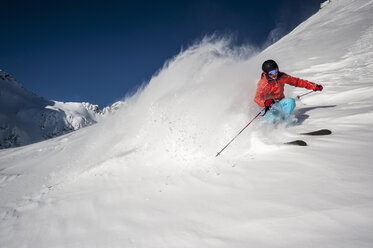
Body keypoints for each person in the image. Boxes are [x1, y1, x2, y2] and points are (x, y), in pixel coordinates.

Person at [254, 59, 323, 122]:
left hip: (280, 103)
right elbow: (257, 98)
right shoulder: (263, 84)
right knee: (272, 119)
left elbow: (297, 81)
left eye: (275, 71)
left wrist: (314, 86)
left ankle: (285, 123)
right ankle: (268, 129)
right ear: (266, 73)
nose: (274, 74)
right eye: (271, 73)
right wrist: (265, 102)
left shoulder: (282, 77)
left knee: (290, 101)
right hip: (269, 107)